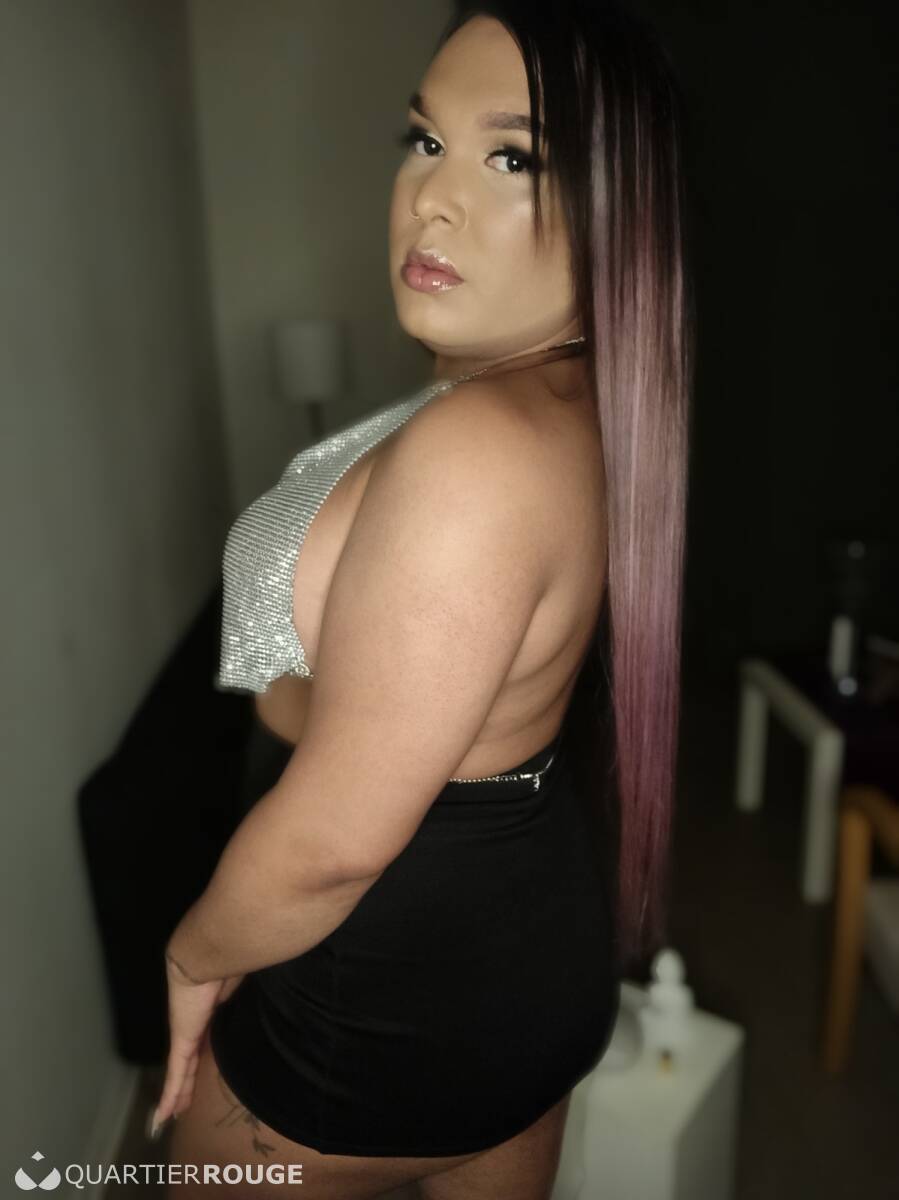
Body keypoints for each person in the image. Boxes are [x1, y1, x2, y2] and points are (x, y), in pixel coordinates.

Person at [156, 1, 693, 1196]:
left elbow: (332, 847)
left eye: (512, 159)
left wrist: (193, 953)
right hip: (525, 940)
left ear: (620, 209)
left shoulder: (475, 454)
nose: (432, 199)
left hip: (382, 995)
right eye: (425, 140)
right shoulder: (566, 407)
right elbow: (413, 698)